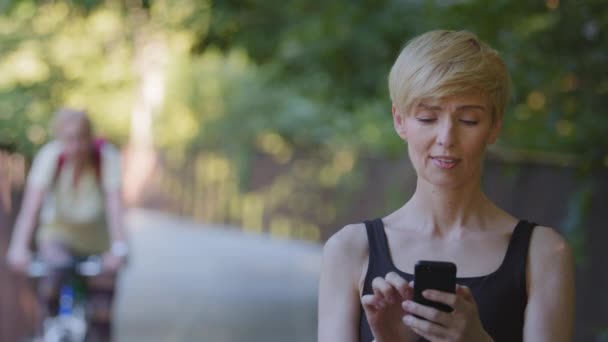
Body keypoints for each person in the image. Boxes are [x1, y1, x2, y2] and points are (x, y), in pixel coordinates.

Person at [317, 30, 575, 342]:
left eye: (468, 120)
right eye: (427, 118)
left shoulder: (544, 252)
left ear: (495, 126)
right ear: (400, 121)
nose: (446, 138)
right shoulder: (349, 250)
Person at [6, 108, 129, 342]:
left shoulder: (106, 158)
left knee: (102, 316)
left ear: (90, 137)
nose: (77, 146)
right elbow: (30, 209)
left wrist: (119, 248)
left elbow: (115, 206)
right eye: (69, 139)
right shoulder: (50, 157)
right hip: (58, 235)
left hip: (97, 240)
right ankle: (47, 332)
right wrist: (18, 247)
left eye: (82, 138)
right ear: (59, 139)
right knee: (53, 275)